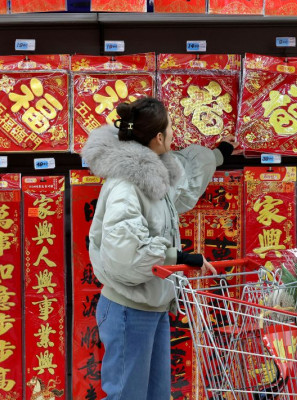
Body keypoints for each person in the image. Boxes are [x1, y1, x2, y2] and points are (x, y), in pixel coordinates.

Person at [81, 97, 233, 400]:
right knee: (128, 396)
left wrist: (218, 155)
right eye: (171, 127)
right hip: (128, 308)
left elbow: (185, 178)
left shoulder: (153, 173)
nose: (175, 134)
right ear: (159, 137)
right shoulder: (127, 184)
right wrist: (178, 257)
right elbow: (126, 247)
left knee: (156, 395)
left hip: (153, 304)